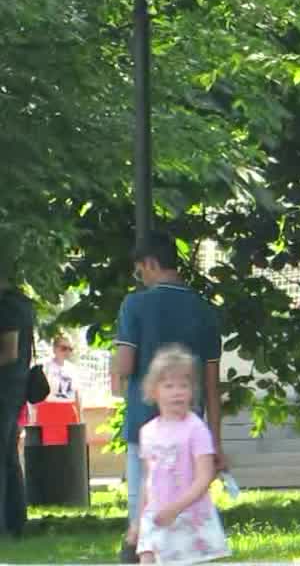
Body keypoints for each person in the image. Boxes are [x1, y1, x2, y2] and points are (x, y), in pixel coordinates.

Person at [113, 231, 223, 563]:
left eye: (140, 271)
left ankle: (140, 548)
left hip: (144, 420)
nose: (141, 278)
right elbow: (212, 384)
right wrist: (216, 442)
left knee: (144, 496)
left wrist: (114, 363)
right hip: (189, 425)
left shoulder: (134, 304)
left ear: (149, 263)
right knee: (186, 497)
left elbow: (125, 365)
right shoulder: (204, 310)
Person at [127, 344, 230, 564]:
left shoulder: (196, 429)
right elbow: (148, 480)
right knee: (147, 557)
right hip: (156, 514)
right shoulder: (148, 432)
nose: (177, 392)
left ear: (192, 391)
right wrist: (137, 522)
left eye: (184, 385)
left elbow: (204, 477)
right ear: (153, 391)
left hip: (188, 515)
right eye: (169, 386)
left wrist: (175, 509)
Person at [0, 261, 36, 539]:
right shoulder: (21, 303)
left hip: (4, 389)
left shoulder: (8, 307)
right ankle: (15, 521)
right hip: (14, 390)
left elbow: (8, 352)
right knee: (8, 456)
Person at [43, 333, 82, 419]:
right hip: (49, 411)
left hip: (69, 412)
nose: (67, 352)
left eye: (70, 349)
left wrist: (80, 418)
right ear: (54, 349)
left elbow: (77, 395)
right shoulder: (46, 367)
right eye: (63, 348)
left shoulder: (73, 369)